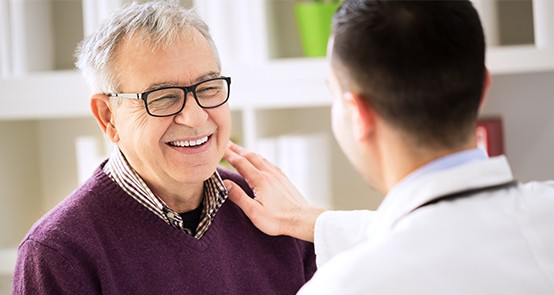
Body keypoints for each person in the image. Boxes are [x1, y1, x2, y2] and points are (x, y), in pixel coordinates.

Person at [223, 0, 554, 294]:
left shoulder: (345, 287)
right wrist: (312, 221)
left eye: (333, 92)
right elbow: (447, 233)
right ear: (484, 88)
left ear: (358, 114)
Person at [12, 1, 316, 294]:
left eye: (208, 88)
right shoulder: (58, 253)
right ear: (109, 118)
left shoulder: (274, 212)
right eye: (163, 97)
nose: (195, 116)